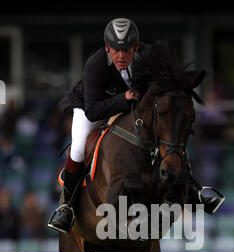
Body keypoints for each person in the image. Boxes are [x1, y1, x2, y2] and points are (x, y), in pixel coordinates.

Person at [48, 18, 222, 234]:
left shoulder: (148, 57)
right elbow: (94, 110)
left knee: (166, 136)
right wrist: (124, 98)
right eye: (116, 50)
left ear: (136, 48)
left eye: (127, 50)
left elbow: (166, 84)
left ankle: (194, 190)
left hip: (131, 108)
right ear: (107, 48)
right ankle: (68, 207)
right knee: (78, 146)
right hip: (91, 107)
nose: (121, 56)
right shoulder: (95, 65)